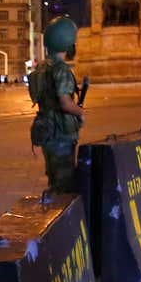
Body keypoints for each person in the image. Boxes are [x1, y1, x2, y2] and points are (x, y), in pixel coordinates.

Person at [28, 16, 86, 194]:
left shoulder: (41, 68)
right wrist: (80, 111)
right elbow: (65, 103)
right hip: (61, 133)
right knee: (64, 184)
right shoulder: (61, 69)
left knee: (54, 178)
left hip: (46, 130)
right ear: (67, 43)